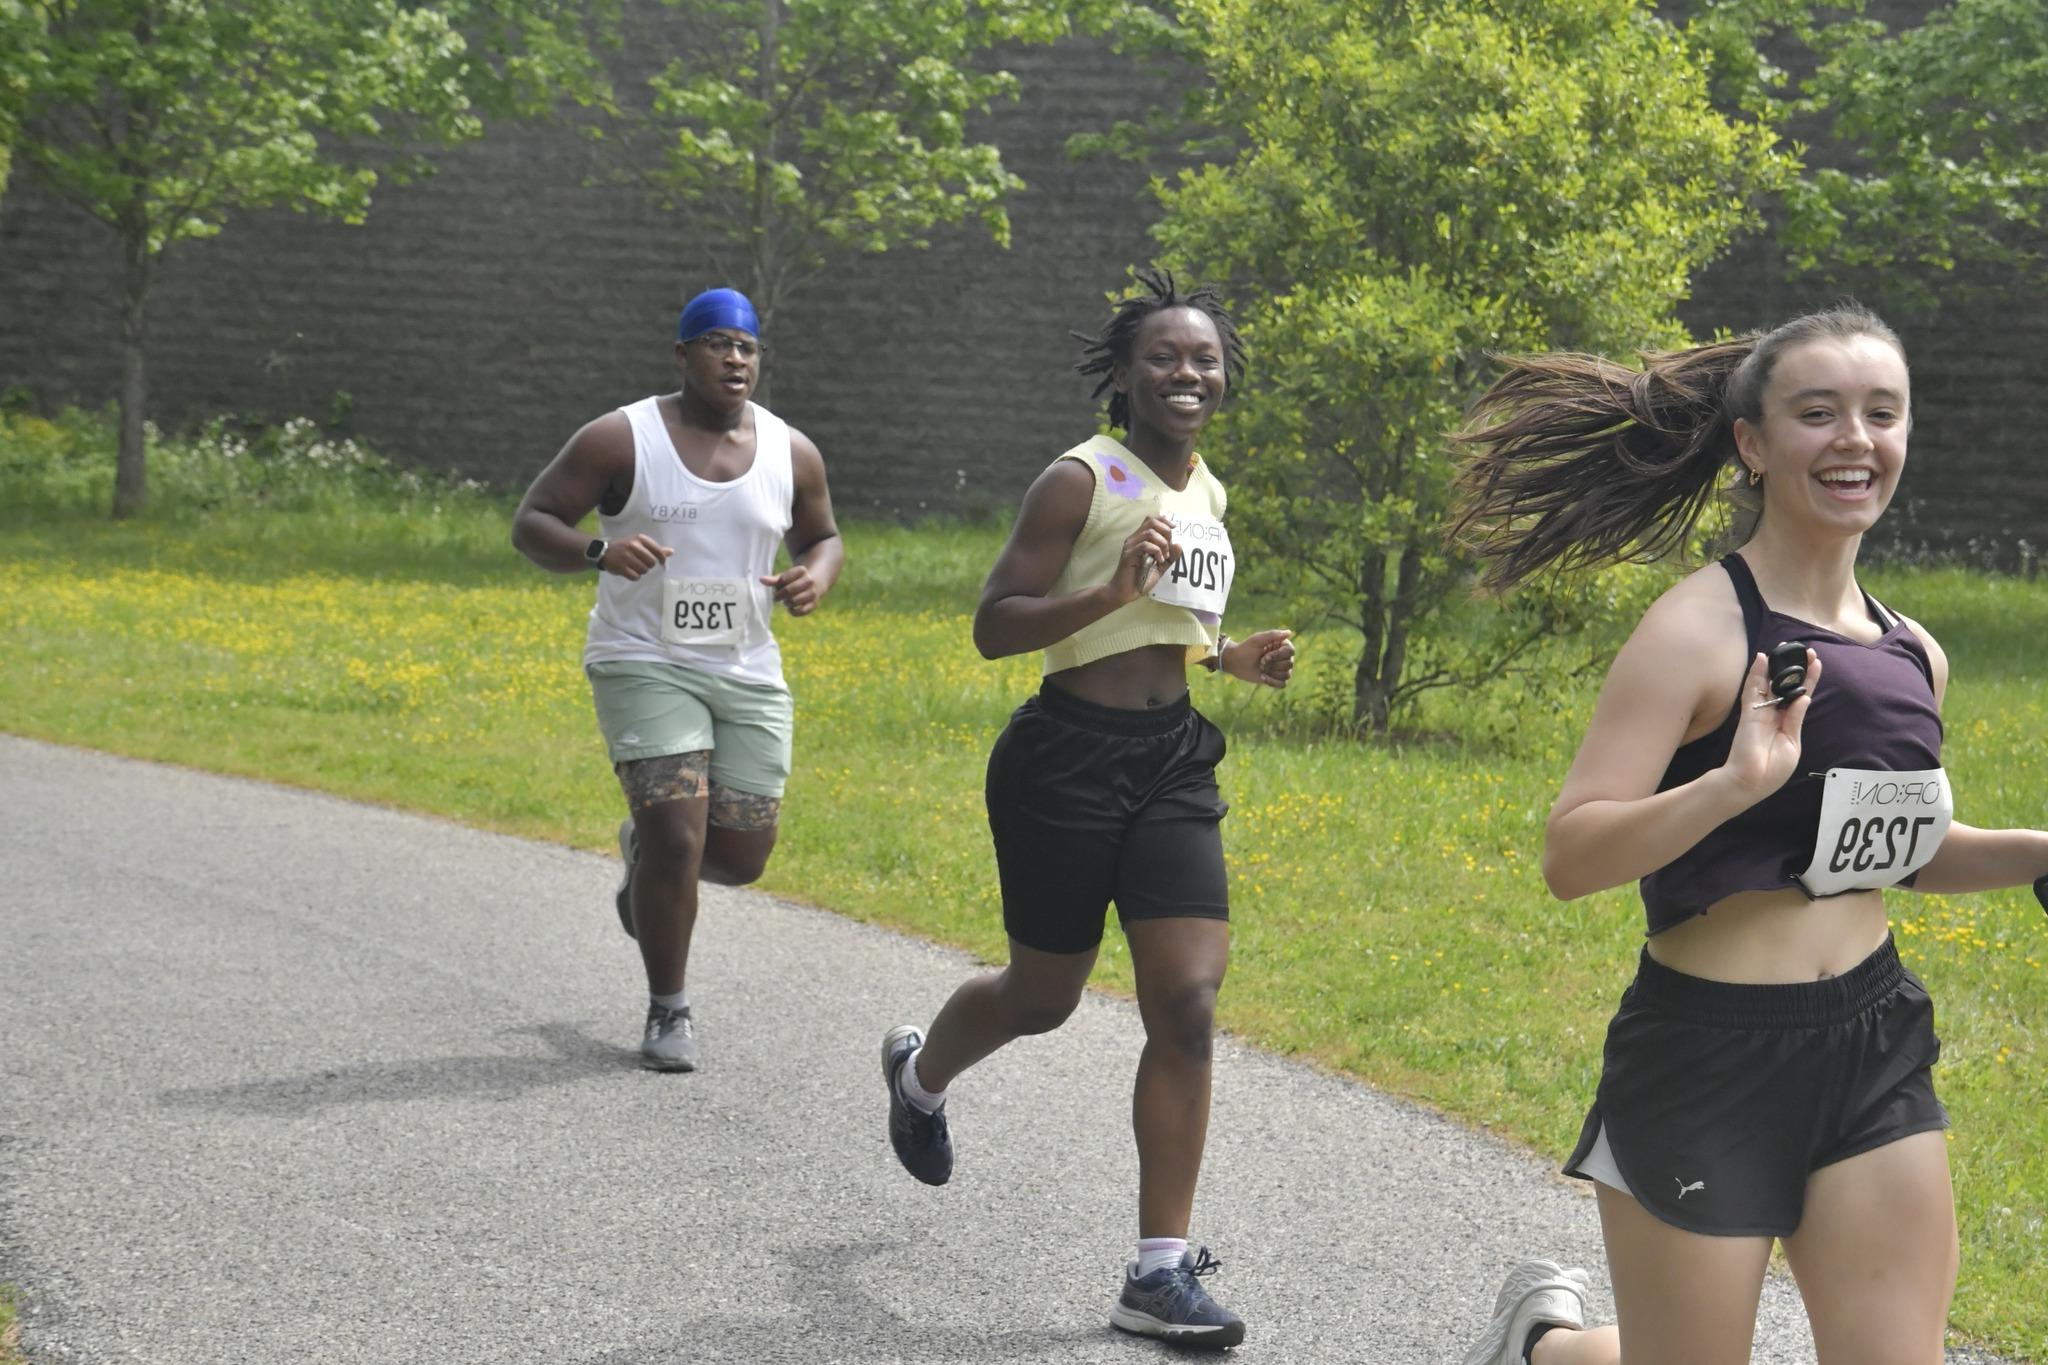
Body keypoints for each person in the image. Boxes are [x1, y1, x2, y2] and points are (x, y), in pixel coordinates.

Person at [1445, 304, 2048, 1365]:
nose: (1853, 439)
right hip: (1703, 1054)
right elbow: (1569, 856)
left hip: (1869, 1044)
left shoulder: (1914, 653)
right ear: (1752, 444)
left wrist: (2037, 851)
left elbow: (1896, 852)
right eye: (1817, 414)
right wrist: (1729, 785)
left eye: (1880, 413)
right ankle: (1546, 1346)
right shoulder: (1696, 629)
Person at [880, 269, 1295, 1349]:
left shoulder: (1204, 490)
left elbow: (1179, 623)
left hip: (1170, 763)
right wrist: (1106, 594)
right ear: (1122, 374)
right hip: (1062, 761)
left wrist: (1229, 657)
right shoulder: (1077, 480)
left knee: (1189, 1005)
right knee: (1043, 995)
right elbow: (994, 625)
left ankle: (1158, 1273)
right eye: (1163, 356)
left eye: (1203, 358)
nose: (1186, 373)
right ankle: (921, 1078)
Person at [512, 286, 842, 1072]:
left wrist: (814, 577)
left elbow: (823, 535)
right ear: (682, 353)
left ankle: (645, 860)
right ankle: (669, 1009)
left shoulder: (791, 451)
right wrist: (599, 550)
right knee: (679, 830)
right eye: (717, 343)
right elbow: (532, 521)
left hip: (746, 666)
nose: (735, 358)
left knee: (742, 852)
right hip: (641, 657)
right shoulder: (619, 438)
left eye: (748, 347)